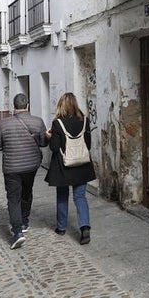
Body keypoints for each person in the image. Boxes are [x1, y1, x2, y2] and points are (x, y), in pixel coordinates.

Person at [0, 94, 48, 249]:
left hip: (12, 167)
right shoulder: (38, 122)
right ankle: (24, 221)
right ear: (27, 106)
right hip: (31, 166)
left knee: (13, 198)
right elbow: (43, 143)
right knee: (27, 193)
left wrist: (8, 145)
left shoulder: (3, 124)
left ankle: (17, 232)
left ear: (13, 107)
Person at [44, 92, 96, 244]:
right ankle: (85, 227)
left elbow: (54, 147)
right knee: (80, 196)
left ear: (61, 105)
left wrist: (49, 137)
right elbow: (89, 144)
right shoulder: (85, 121)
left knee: (62, 195)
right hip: (81, 165)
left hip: (63, 166)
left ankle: (61, 227)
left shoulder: (57, 123)